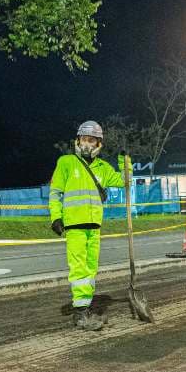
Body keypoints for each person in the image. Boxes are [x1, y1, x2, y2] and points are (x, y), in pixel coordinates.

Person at [48, 120, 124, 332]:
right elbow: (55, 193)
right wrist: (56, 217)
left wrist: (124, 160)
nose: (86, 144)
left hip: (94, 227)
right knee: (79, 268)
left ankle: (85, 308)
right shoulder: (66, 162)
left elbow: (124, 180)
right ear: (77, 140)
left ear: (98, 143)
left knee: (90, 269)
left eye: (91, 140)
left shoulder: (103, 168)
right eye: (83, 139)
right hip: (74, 227)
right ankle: (80, 314)